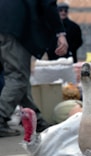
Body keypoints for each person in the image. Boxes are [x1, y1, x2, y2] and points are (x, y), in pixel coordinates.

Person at [0, 0, 68, 137]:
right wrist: (60, 33)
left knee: (20, 77)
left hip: (6, 25)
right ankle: (0, 116)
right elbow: (48, 4)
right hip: (16, 28)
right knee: (17, 77)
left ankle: (37, 120)